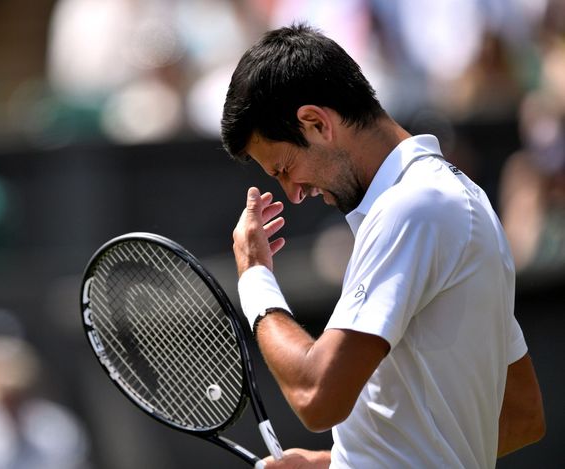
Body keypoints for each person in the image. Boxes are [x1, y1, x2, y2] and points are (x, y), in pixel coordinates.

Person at [221, 23, 545, 468]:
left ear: (316, 123)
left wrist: (256, 277)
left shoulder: (413, 207)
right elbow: (521, 415)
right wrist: (336, 463)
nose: (293, 192)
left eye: (284, 167)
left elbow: (316, 395)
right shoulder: (457, 199)